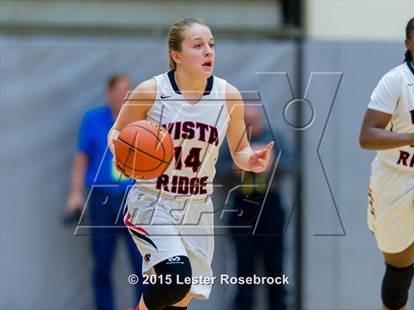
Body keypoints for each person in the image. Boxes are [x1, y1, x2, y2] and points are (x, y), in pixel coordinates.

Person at [108, 18, 274, 310]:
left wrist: (253, 160)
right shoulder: (152, 90)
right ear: (176, 55)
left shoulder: (228, 95)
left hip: (196, 206)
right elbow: (117, 132)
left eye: (211, 45)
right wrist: (122, 151)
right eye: (197, 45)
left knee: (180, 298)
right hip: (153, 201)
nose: (208, 51)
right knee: (175, 279)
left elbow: (240, 150)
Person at [65, 74, 143, 310]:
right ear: (109, 94)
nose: (123, 96)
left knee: (141, 263)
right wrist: (75, 193)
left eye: (127, 92)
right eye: (118, 91)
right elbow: (81, 158)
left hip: (133, 199)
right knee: (102, 262)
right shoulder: (94, 119)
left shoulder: (141, 120)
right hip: (102, 199)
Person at [359, 15, 414, 310]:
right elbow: (367, 136)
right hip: (395, 177)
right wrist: (411, 137)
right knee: (399, 272)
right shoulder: (396, 80)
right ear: (408, 44)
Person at [218, 105, 293, 310]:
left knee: (275, 265)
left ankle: (279, 306)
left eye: (255, 121)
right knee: (244, 266)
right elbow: (215, 169)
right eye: (247, 122)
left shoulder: (273, 138)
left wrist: (272, 163)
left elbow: (294, 164)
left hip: (270, 203)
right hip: (242, 205)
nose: (252, 126)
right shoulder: (234, 142)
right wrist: (234, 167)